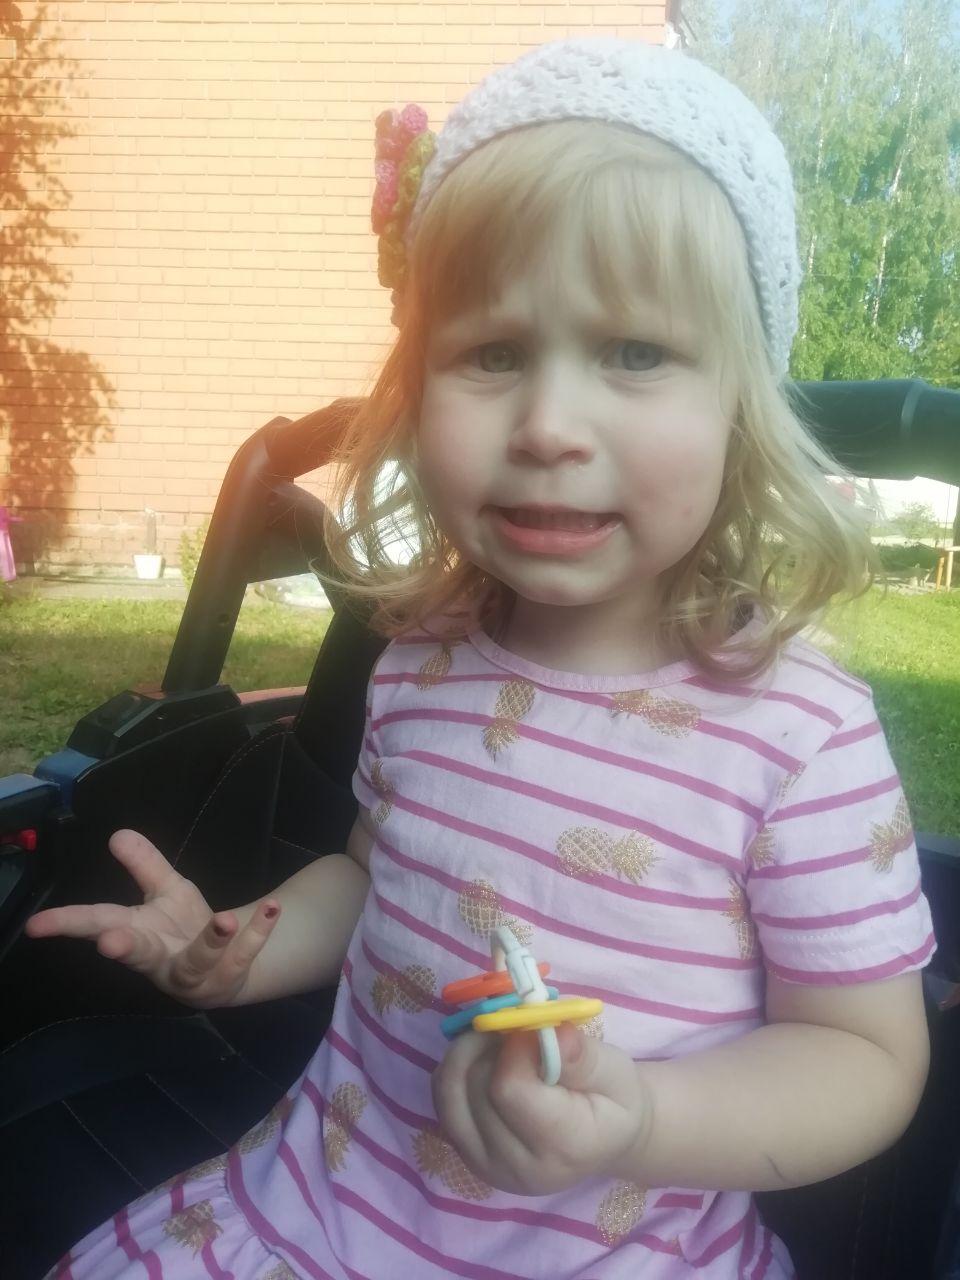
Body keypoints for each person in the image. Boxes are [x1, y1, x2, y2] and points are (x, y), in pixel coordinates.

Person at [26, 36, 936, 1280]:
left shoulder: (796, 735)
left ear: (741, 408)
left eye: (635, 353)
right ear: (417, 388)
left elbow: (866, 1055)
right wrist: (242, 948)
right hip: (327, 1200)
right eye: (494, 352)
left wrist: (645, 1118)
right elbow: (375, 878)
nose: (550, 425)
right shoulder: (424, 658)